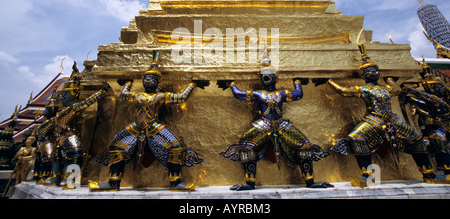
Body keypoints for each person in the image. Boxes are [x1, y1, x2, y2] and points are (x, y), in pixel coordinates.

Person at [328, 42, 450, 187]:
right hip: (373, 119)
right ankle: (367, 175)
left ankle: (428, 172)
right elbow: (344, 91)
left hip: (392, 118)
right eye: (368, 72)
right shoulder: (364, 89)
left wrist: (390, 79)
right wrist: (330, 81)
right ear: (363, 75)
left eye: (375, 71)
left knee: (416, 138)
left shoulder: (385, 89)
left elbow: (397, 90)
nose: (372, 73)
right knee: (356, 138)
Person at [89, 52, 208, 192]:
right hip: (135, 126)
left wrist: (192, 84)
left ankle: (175, 182)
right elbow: (124, 95)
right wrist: (128, 82)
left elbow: (181, 98)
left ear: (157, 81)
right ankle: (113, 181)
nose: (148, 81)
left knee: (176, 147)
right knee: (116, 146)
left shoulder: (161, 96)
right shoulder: (137, 95)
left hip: (154, 126)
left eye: (152, 78)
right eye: (146, 79)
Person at [219, 54, 332, 190]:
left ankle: (310, 181)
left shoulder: (281, 94)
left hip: (281, 124)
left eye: (268, 74)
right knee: (245, 145)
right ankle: (250, 182)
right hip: (263, 125)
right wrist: (231, 83)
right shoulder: (258, 94)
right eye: (262, 75)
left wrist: (297, 81)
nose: (265, 77)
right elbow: (239, 94)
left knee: (304, 145)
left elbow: (298, 94)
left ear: (275, 77)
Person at [39, 62, 111, 189]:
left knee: (75, 155)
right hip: (60, 137)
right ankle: (55, 178)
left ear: (74, 95)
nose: (63, 97)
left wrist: (102, 92)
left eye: (66, 95)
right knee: (57, 157)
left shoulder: (73, 108)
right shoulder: (60, 113)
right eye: (63, 95)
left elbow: (87, 102)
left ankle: (71, 181)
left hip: (70, 135)